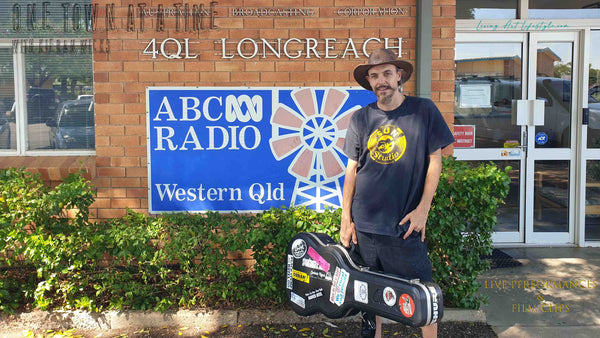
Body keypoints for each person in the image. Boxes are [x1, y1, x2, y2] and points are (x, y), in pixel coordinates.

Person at [340, 49, 455, 338]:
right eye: (375, 75)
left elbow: (435, 160)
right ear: (369, 81)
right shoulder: (361, 119)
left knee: (422, 298)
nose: (382, 81)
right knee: (369, 299)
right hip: (364, 227)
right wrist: (346, 218)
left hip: (403, 226)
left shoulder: (423, 110)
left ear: (399, 75)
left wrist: (423, 209)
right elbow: (351, 170)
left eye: (387, 73)